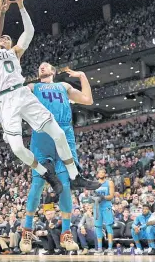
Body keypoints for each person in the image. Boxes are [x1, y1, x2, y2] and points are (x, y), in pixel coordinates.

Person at [0, 0, 79, 194]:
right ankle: (45, 172)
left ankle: (74, 174)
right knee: (16, 148)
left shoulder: (15, 52)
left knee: (59, 134)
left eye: (8, 37)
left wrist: (21, 4)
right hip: (4, 100)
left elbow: (30, 32)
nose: (5, 37)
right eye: (2, 37)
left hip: (22, 93)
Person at [20, 62, 98, 253]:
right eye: (39, 67)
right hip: (42, 132)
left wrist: (82, 76)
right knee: (38, 184)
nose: (41, 68)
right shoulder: (33, 87)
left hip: (64, 130)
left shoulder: (63, 86)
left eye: (45, 66)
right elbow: (16, 96)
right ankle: (27, 230)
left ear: (53, 72)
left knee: (64, 185)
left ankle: (65, 233)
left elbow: (87, 99)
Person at [93, 168, 115, 255]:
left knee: (109, 226)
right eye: (99, 172)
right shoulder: (94, 183)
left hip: (106, 207)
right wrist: (93, 198)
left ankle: (110, 248)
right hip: (97, 207)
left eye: (103, 172)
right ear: (97, 174)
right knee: (98, 227)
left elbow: (111, 196)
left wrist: (103, 197)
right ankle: (99, 248)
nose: (101, 174)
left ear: (105, 174)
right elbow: (92, 196)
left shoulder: (109, 182)